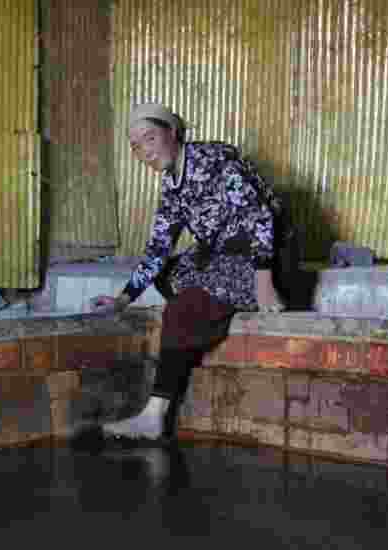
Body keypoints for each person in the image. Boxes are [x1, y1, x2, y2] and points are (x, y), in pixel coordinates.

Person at [90, 102, 285, 440]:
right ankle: (209, 306)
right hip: (220, 255)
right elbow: (157, 250)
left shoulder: (215, 160)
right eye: (136, 146)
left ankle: (153, 417)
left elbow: (260, 216)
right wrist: (122, 300)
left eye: (150, 138)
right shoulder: (172, 183)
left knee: (182, 310)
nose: (144, 152)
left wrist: (264, 282)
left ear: (173, 132)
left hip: (262, 256)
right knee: (167, 272)